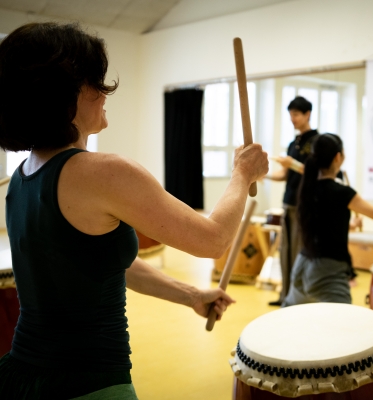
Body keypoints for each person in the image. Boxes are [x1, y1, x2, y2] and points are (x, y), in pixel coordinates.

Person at [0, 22, 268, 399]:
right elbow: (213, 240)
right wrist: (242, 173)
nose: (104, 91)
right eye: (94, 81)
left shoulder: (21, 180)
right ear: (65, 95)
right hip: (89, 384)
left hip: (21, 379)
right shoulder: (103, 172)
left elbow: (104, 265)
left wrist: (190, 294)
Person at [282, 134, 373, 307]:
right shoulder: (342, 192)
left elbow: (324, 224)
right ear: (338, 157)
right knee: (343, 324)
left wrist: (350, 225)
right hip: (327, 269)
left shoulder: (308, 187)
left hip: (302, 264)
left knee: (295, 319)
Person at [263, 96, 318, 306]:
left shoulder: (316, 142)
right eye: (290, 115)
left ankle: (296, 299)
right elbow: (285, 173)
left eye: (296, 114)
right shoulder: (293, 143)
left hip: (305, 205)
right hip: (288, 202)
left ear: (307, 114)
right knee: (284, 251)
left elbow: (316, 173)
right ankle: (285, 295)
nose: (292, 119)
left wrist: (293, 163)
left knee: (298, 253)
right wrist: (263, 175)